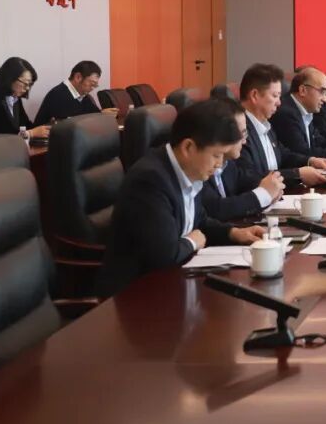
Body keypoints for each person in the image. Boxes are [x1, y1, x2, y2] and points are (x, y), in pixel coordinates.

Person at [96, 99, 265, 297]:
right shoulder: (150, 181)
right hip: (136, 297)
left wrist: (233, 233)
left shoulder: (187, 170)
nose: (219, 164)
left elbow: (199, 220)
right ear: (188, 147)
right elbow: (163, 256)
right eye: (216, 155)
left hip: (173, 285)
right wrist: (192, 241)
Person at [234, 63, 326, 189]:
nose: (279, 102)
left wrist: (310, 161)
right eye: (275, 96)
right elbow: (249, 176)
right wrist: (297, 174)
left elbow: (282, 154)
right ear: (254, 95)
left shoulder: (265, 123)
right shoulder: (239, 130)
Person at [201, 96, 286, 221]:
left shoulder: (229, 163)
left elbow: (244, 180)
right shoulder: (199, 165)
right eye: (241, 133)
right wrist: (263, 194)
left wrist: (271, 187)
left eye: (245, 133)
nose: (245, 141)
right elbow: (215, 209)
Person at [0, 56, 50, 139]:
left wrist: (45, 128)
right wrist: (31, 133)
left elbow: (25, 125)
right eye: (25, 83)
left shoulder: (15, 98)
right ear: (10, 78)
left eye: (30, 84)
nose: (27, 88)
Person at [32, 60, 113, 126]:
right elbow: (72, 123)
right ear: (78, 77)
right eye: (92, 84)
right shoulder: (58, 95)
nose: (92, 88)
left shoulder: (82, 95)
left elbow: (92, 114)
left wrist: (102, 114)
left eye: (95, 85)